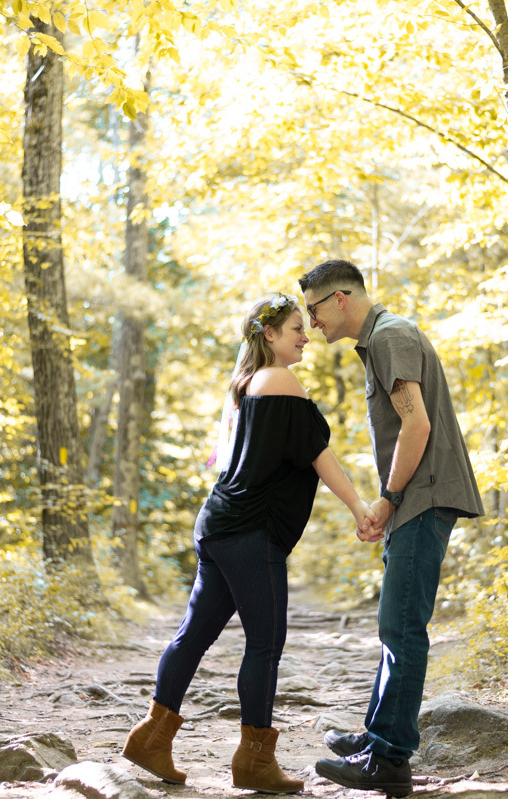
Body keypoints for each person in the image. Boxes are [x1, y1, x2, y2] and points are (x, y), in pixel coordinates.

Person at [122, 293, 377, 794]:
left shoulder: (243, 386)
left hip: (219, 525)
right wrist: (361, 509)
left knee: (194, 635)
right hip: (248, 531)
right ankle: (255, 760)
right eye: (296, 329)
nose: (306, 336)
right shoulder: (279, 380)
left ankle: (152, 736)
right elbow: (318, 455)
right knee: (265, 642)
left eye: (306, 327)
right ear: (269, 335)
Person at [299, 261, 485, 797]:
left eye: (313, 311)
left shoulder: (390, 337)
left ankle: (388, 759)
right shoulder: (383, 338)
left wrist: (388, 497)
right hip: (415, 501)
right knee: (394, 624)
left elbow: (417, 423)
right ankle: (376, 739)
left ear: (339, 299)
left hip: (422, 498)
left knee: (402, 629)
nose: (311, 325)